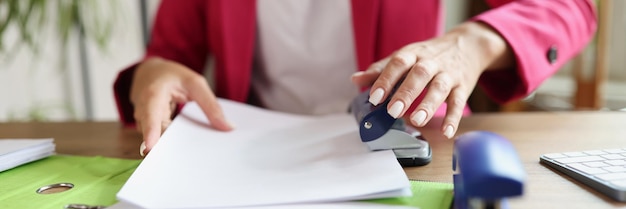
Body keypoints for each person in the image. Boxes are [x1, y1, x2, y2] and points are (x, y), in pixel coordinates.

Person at [114, 0, 597, 155]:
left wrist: (472, 43)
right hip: (249, 151)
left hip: (416, 141)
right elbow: (166, 59)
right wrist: (151, 74)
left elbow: (570, 8)